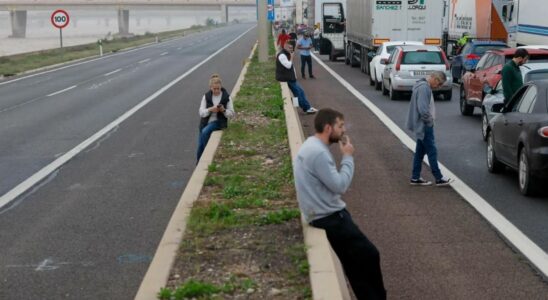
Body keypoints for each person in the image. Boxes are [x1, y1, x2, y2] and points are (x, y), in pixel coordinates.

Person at [294, 108, 386, 300]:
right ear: (328, 128)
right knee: (369, 256)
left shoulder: (311, 144)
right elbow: (340, 185)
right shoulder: (319, 153)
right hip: (331, 218)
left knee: (356, 264)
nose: (343, 130)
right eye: (340, 126)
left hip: (319, 214)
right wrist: (347, 156)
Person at [406, 71, 453, 186]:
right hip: (424, 125)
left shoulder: (421, 85)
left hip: (421, 124)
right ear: (434, 79)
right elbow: (423, 109)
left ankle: (415, 177)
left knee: (420, 152)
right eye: (439, 83)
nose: (439, 86)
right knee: (432, 151)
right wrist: (429, 122)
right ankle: (439, 177)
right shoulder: (424, 88)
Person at [197, 74, 235, 162]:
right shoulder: (206, 96)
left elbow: (232, 114)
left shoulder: (226, 97)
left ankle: (207, 155)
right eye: (214, 89)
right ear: (211, 87)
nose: (217, 90)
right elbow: (201, 113)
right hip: (205, 121)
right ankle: (199, 163)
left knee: (205, 131)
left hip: (218, 121)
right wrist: (210, 109)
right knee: (200, 146)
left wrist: (223, 110)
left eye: (218, 88)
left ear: (220, 86)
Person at [276, 42, 318, 114]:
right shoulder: (282, 55)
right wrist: (292, 57)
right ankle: (307, 108)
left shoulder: (286, 54)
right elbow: (288, 66)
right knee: (299, 93)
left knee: (299, 92)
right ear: (285, 47)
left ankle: (297, 107)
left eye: (292, 48)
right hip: (287, 78)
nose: (291, 50)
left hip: (291, 78)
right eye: (289, 48)